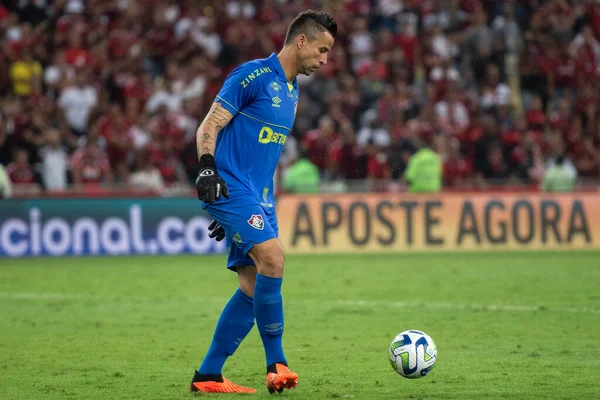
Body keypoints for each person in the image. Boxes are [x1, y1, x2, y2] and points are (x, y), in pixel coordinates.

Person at [191, 10, 337, 394]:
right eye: (322, 50)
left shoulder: (292, 91)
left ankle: (208, 375)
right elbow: (209, 125)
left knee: (253, 287)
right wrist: (207, 170)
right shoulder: (252, 75)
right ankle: (277, 364)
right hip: (228, 186)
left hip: (256, 199)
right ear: (301, 41)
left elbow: (255, 152)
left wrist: (240, 215)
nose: (325, 60)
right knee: (274, 258)